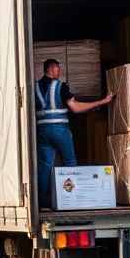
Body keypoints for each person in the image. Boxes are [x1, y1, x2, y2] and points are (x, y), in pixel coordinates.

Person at [36, 58, 113, 208]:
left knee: (45, 166)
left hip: (42, 132)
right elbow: (76, 108)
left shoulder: (35, 87)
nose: (59, 72)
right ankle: (73, 199)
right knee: (70, 162)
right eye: (58, 69)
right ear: (52, 69)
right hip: (59, 130)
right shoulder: (60, 86)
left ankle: (41, 201)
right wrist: (102, 102)